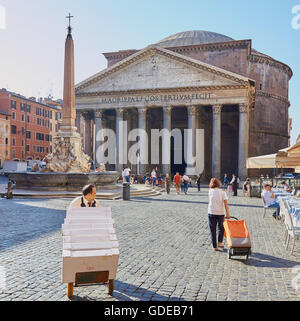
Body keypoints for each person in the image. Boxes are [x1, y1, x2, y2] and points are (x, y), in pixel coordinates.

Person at [208, 178, 230, 251]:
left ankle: (214, 246)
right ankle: (220, 243)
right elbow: (226, 204)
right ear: (218, 183)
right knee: (221, 228)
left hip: (211, 212)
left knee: (212, 229)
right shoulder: (222, 192)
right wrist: (228, 213)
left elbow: (213, 190)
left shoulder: (210, 191)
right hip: (220, 212)